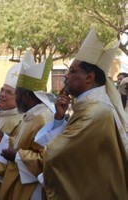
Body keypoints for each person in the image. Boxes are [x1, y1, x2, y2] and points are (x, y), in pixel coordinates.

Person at [35, 29, 128, 199]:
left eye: (72, 71)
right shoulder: (89, 107)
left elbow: (56, 155)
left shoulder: (94, 111)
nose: (66, 76)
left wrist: (22, 158)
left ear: (89, 78)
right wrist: (59, 118)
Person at [0, 51, 55, 200]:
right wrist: (4, 139)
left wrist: (17, 155)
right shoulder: (32, 114)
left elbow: (48, 159)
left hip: (32, 190)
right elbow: (25, 145)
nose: (14, 98)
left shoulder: (44, 118)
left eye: (15, 93)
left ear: (25, 96)